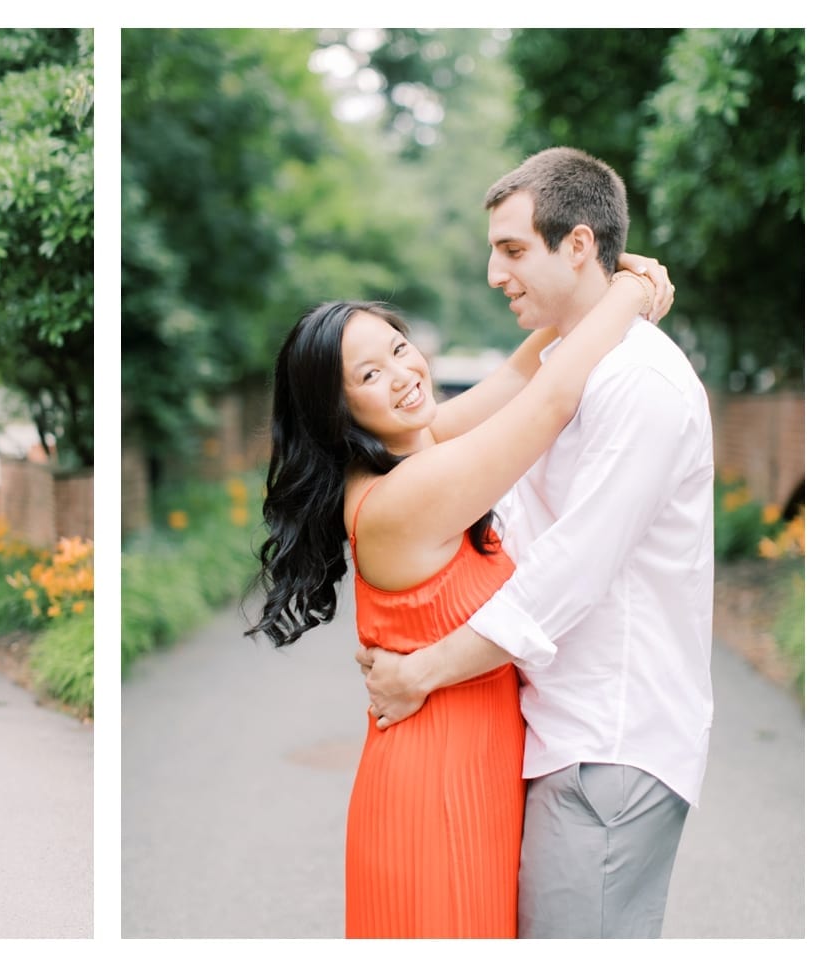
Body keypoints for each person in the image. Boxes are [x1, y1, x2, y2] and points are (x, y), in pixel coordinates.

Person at [246, 225, 672, 932]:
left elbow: (517, 376)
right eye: (369, 376)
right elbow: (548, 401)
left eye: (399, 348)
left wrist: (589, 288)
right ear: (338, 409)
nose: (403, 375)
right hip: (435, 788)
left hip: (469, 770)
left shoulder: (415, 447)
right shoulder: (406, 495)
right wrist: (628, 291)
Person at [358, 147, 714, 939]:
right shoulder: (569, 362)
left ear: (580, 244)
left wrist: (420, 670)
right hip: (556, 735)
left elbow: (566, 574)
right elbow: (503, 485)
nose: (494, 272)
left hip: (609, 741)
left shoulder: (639, 385)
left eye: (513, 249)